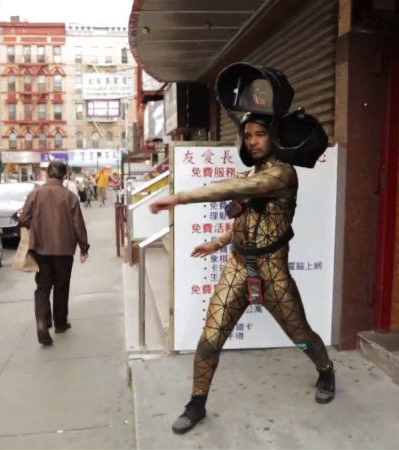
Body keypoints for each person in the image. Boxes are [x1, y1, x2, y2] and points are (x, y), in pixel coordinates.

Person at [150, 67, 334, 434]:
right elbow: (244, 220)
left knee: (301, 334)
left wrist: (178, 197)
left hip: (273, 272)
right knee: (210, 339)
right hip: (237, 266)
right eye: (248, 135)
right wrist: (217, 243)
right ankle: (196, 403)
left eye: (260, 134)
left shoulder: (281, 175)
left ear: (274, 136)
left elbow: (229, 190)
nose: (252, 141)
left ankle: (325, 370)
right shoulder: (252, 175)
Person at [19, 160, 90, 346]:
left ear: (47, 174)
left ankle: (42, 324)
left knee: (42, 287)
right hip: (64, 250)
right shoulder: (70, 197)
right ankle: (60, 323)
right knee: (61, 287)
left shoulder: (35, 194)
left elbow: (23, 218)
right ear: (64, 176)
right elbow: (78, 225)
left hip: (41, 249)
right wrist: (84, 247)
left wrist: (36, 225)